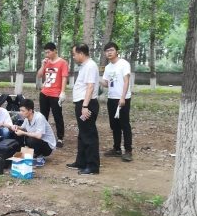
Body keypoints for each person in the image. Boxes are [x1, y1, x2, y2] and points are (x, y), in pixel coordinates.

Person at [66, 43, 101, 176]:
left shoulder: (90, 66)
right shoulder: (85, 66)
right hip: (82, 103)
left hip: (87, 104)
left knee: (89, 135)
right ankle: (81, 161)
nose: (73, 57)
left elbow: (90, 87)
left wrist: (85, 106)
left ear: (81, 53)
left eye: (74, 54)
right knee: (82, 134)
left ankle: (93, 166)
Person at [100, 42, 133, 162]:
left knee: (124, 124)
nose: (109, 52)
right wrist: (96, 80)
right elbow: (106, 83)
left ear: (117, 51)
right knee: (114, 125)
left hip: (123, 98)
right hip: (111, 98)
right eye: (107, 50)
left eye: (111, 50)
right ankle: (117, 148)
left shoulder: (123, 64)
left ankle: (128, 150)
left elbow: (126, 81)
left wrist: (122, 97)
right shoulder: (108, 67)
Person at [37, 42, 69, 148]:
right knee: (43, 116)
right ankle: (43, 135)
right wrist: (43, 65)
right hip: (44, 93)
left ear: (54, 50)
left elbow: (64, 78)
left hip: (55, 94)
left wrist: (63, 92)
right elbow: (39, 75)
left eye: (49, 52)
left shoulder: (62, 63)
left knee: (57, 116)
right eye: (46, 53)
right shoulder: (47, 62)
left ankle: (60, 138)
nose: (47, 55)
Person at [12, 99, 56, 167]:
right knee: (16, 133)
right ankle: (26, 152)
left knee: (31, 140)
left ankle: (40, 156)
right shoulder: (27, 117)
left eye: (23, 111)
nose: (21, 113)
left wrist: (23, 133)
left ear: (30, 111)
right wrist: (17, 127)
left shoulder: (39, 118)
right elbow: (23, 128)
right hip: (37, 141)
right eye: (20, 110)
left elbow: (39, 136)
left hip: (47, 146)